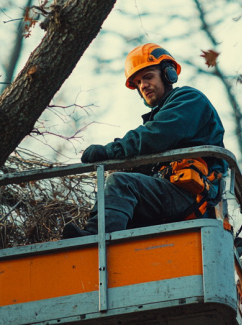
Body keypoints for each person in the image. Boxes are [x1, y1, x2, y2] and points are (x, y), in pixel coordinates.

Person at [62, 43, 227, 239]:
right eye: (138, 82)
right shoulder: (162, 114)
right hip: (171, 195)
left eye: (148, 77)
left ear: (168, 74)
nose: (143, 86)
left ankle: (93, 241)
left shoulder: (189, 100)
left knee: (121, 183)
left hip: (189, 195)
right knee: (121, 196)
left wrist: (108, 151)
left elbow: (153, 137)